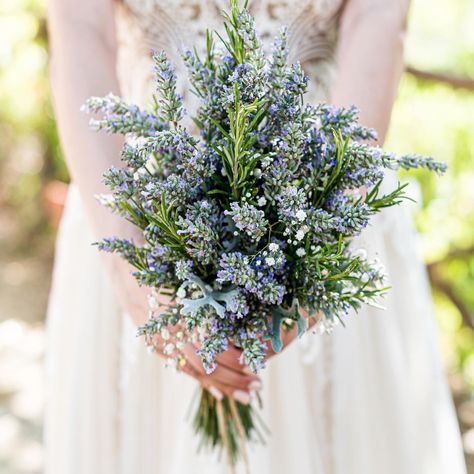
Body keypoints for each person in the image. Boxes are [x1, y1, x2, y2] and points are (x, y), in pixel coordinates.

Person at [46, 0, 467, 473]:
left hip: (324, 193)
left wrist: (321, 242)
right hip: (135, 204)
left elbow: (379, 17)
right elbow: (79, 28)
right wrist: (132, 271)